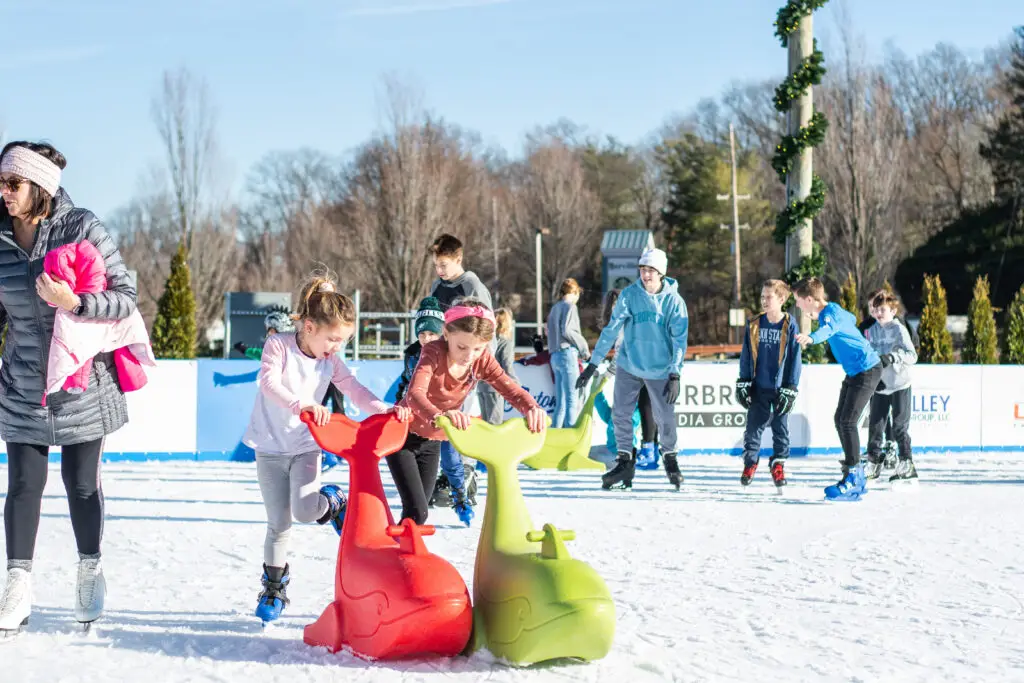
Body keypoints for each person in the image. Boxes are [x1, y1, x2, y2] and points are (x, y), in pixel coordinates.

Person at [0, 141, 136, 634]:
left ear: (40, 188)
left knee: (81, 486)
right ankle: (17, 584)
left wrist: (74, 300)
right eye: (0, 183)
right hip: (23, 384)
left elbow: (125, 298)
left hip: (82, 386)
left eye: (12, 184)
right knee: (22, 487)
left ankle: (89, 570)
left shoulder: (82, 227)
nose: (4, 193)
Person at [241, 271, 411, 623]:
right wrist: (300, 404)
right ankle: (274, 588)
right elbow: (268, 381)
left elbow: (354, 388)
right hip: (270, 447)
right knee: (279, 523)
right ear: (309, 328)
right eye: (333, 339)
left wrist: (385, 408)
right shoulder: (279, 345)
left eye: (342, 342)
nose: (336, 348)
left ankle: (333, 502)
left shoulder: (330, 361)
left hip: (306, 446)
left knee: (304, 511)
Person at [397, 298, 547, 525]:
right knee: (417, 510)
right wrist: (440, 415)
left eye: (478, 348)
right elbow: (414, 394)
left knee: (421, 512)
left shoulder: (482, 359)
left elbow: (510, 388)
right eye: (462, 347)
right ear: (446, 333)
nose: (469, 355)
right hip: (403, 435)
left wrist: (531, 407)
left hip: (433, 440)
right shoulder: (433, 351)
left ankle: (399, 550)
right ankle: (391, 551)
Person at [577, 248, 689, 491]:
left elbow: (680, 340)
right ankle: (624, 460)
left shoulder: (674, 302)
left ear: (660, 273)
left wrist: (675, 373)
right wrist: (593, 364)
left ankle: (670, 458)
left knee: (665, 416)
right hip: (629, 364)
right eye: (642, 269)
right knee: (620, 414)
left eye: (650, 270)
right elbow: (610, 330)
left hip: (660, 368)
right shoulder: (629, 295)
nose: (645, 275)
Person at [793, 277, 884, 501]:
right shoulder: (832, 311)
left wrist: (812, 338)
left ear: (809, 299)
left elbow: (829, 329)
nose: (797, 306)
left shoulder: (830, 315)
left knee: (847, 421)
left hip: (866, 369)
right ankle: (853, 475)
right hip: (856, 371)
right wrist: (821, 320)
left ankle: (854, 478)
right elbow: (850, 318)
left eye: (798, 301)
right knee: (840, 419)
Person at [396, 297, 477, 525]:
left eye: (431, 335)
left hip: (446, 416)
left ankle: (461, 498)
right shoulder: (413, 353)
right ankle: (421, 501)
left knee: (451, 460)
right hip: (421, 417)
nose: (426, 340)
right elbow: (406, 383)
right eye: (422, 335)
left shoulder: (448, 351)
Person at [234, 309, 343, 472]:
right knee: (313, 419)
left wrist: (244, 349)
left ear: (273, 329)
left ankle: (328, 454)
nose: (268, 335)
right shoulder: (298, 342)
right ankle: (328, 454)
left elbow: (259, 354)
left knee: (308, 420)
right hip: (324, 381)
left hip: (321, 382)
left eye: (269, 331)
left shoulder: (280, 347)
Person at [735, 279, 803, 489]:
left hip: (781, 387)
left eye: (769, 297)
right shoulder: (755, 323)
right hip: (759, 386)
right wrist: (743, 381)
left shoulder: (789, 324)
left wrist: (791, 386)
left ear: (782, 299)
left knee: (780, 427)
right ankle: (750, 463)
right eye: (762, 296)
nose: (764, 300)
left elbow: (794, 357)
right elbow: (746, 354)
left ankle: (778, 462)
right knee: (753, 427)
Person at [863, 291, 918, 482]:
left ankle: (906, 463)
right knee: (875, 426)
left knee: (899, 426)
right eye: (876, 309)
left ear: (893, 311)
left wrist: (893, 357)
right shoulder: (871, 330)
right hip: (880, 385)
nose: (879, 313)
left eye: (883, 310)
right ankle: (874, 461)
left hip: (900, 384)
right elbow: (868, 356)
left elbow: (912, 356)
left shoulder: (899, 329)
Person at [547, 278, 590, 428]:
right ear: (575, 292)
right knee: (572, 399)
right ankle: (570, 435)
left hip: (555, 356)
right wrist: (584, 348)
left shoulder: (554, 308)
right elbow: (567, 330)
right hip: (567, 353)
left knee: (561, 402)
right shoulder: (570, 307)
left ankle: (555, 436)